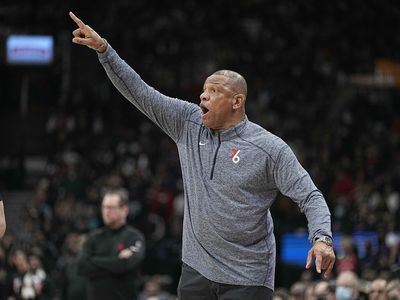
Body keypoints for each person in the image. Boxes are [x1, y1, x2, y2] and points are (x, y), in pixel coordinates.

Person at [69, 11, 335, 300]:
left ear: (237, 101)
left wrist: (321, 238)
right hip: (196, 269)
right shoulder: (188, 122)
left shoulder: (268, 148)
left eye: (214, 91)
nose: (203, 97)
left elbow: (310, 196)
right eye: (203, 90)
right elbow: (141, 93)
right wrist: (104, 51)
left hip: (248, 276)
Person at [77, 188, 146, 300]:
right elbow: (82, 266)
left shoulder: (134, 237)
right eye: (104, 207)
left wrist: (94, 261)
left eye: (111, 207)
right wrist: (116, 260)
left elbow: (127, 264)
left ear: (124, 210)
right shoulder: (93, 237)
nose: (106, 211)